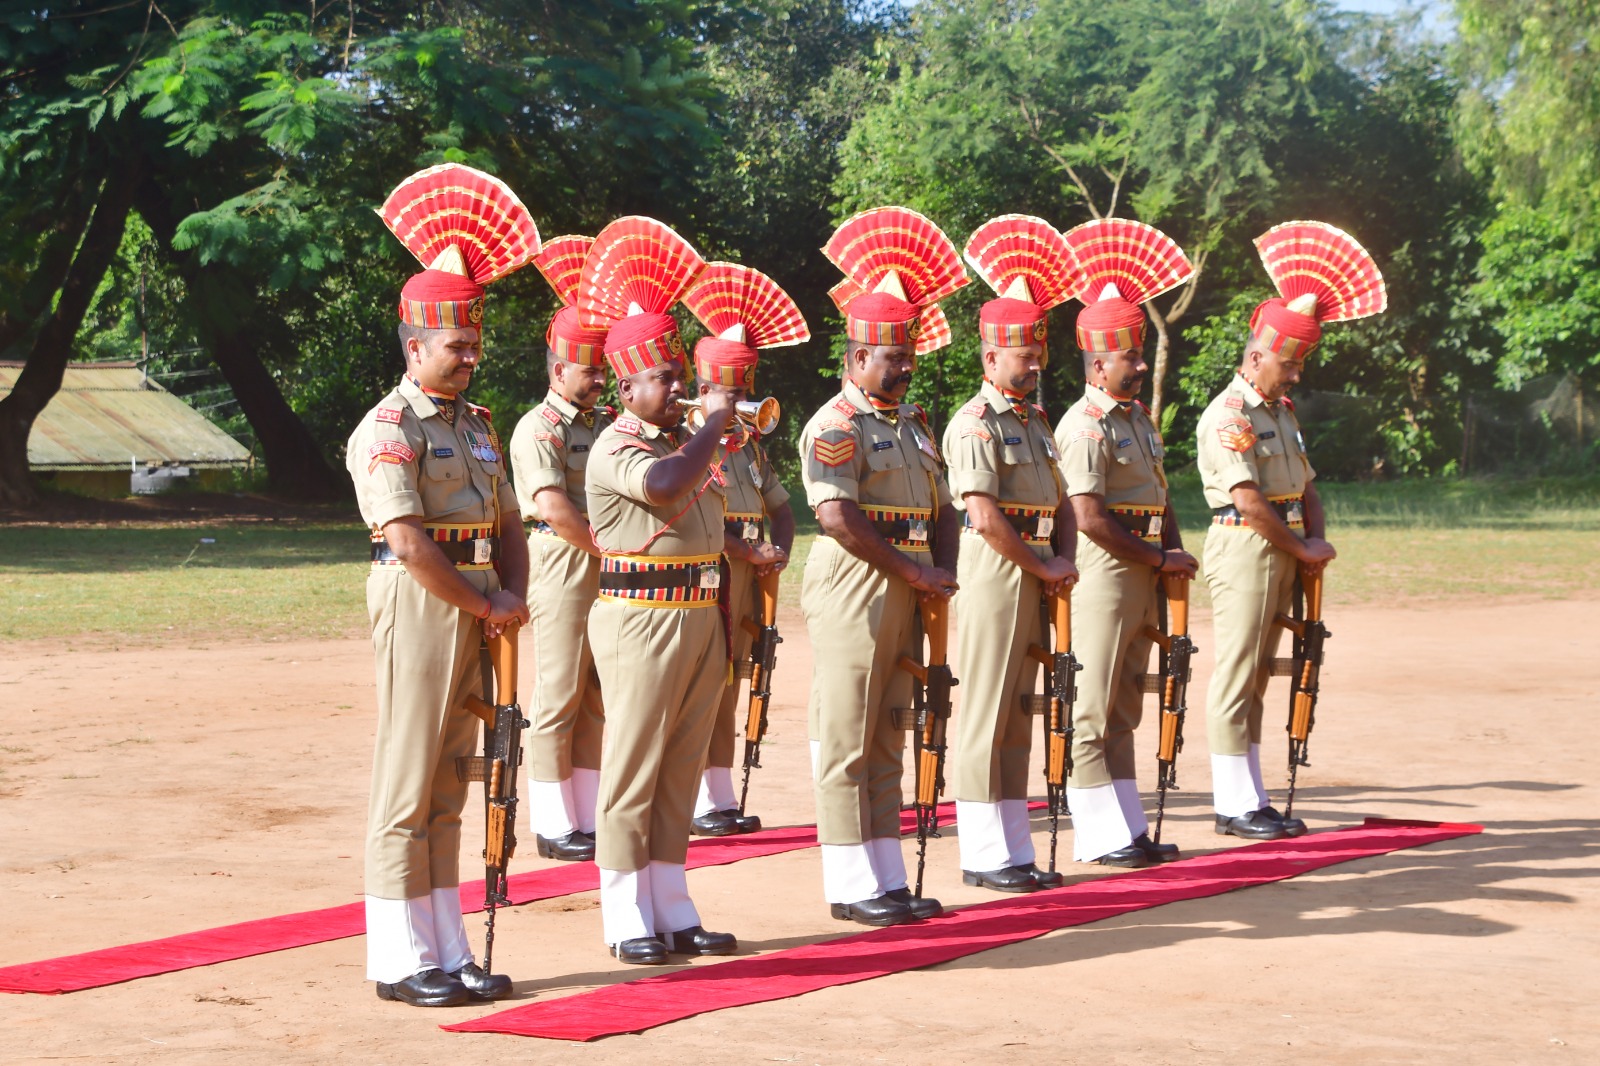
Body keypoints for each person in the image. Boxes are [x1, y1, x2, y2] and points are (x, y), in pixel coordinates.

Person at [351, 163, 535, 1006]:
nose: (471, 355)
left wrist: (514, 595)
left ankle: (448, 945)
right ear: (414, 346)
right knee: (410, 775)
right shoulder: (389, 430)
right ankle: (398, 957)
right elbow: (408, 541)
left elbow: (505, 521)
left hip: (481, 605)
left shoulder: (477, 424)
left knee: (458, 777)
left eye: (473, 342)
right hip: (423, 602)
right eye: (455, 345)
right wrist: (485, 601)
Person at [577, 216, 740, 963]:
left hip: (699, 611)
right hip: (641, 615)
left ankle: (671, 904)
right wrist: (711, 425)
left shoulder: (683, 438)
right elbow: (667, 485)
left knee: (680, 765)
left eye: (679, 376)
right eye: (664, 379)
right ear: (627, 385)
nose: (678, 388)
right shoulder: (619, 444)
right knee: (636, 765)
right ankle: (623, 915)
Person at [800, 205, 968, 927]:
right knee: (849, 733)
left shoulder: (915, 426)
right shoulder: (834, 426)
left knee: (890, 731)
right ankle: (849, 883)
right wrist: (914, 571)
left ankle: (887, 877)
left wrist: (944, 570)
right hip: (858, 587)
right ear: (856, 357)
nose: (903, 367)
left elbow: (944, 508)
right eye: (891, 358)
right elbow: (836, 516)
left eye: (908, 356)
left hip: (910, 583)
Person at [1197, 220, 1386, 840]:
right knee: (1239, 673)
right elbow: (1250, 502)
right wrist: (1302, 545)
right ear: (1257, 356)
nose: (1296, 375)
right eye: (1288, 363)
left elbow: (1304, 484)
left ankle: (1252, 796)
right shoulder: (1228, 415)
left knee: (1261, 674)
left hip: (1284, 546)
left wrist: (1315, 544)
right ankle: (1232, 802)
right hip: (1248, 546)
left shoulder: (1280, 411)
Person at [1054, 217, 1198, 868]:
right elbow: (1088, 516)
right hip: (1107, 571)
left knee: (1126, 705)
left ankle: (1128, 827)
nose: (1140, 365)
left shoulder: (1136, 421)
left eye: (1140, 355)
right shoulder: (1083, 425)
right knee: (1092, 704)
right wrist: (1159, 557)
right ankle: (1099, 834)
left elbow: (1159, 499)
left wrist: (1171, 556)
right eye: (1130, 357)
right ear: (1097, 361)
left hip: (1143, 569)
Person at [943, 215, 1080, 893]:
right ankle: (982, 851)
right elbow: (985, 515)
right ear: (990, 357)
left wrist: (1066, 558)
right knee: (990, 708)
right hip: (1001, 568)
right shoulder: (973, 423)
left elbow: (1058, 499)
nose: (1034, 364)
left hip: (1040, 567)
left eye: (1038, 353)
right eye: (1021, 356)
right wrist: (1045, 564)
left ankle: (1014, 849)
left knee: (1024, 713)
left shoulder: (1036, 421)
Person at [679, 262, 807, 835]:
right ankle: (697, 797)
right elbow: (696, 516)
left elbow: (781, 507)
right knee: (704, 685)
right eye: (734, 393)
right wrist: (745, 551)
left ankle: (719, 796)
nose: (746, 404)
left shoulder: (749, 447)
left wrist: (775, 550)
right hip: (709, 577)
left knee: (734, 681)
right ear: (705, 392)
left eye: (747, 392)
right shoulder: (687, 442)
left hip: (750, 578)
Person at [507, 236, 610, 862]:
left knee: (596, 690)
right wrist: (609, 547)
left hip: (603, 563)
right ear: (557, 371)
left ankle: (585, 813)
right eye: (588, 370)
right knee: (560, 690)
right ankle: (550, 821)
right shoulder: (536, 429)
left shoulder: (601, 426)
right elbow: (552, 507)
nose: (599, 380)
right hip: (564, 562)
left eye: (603, 369)